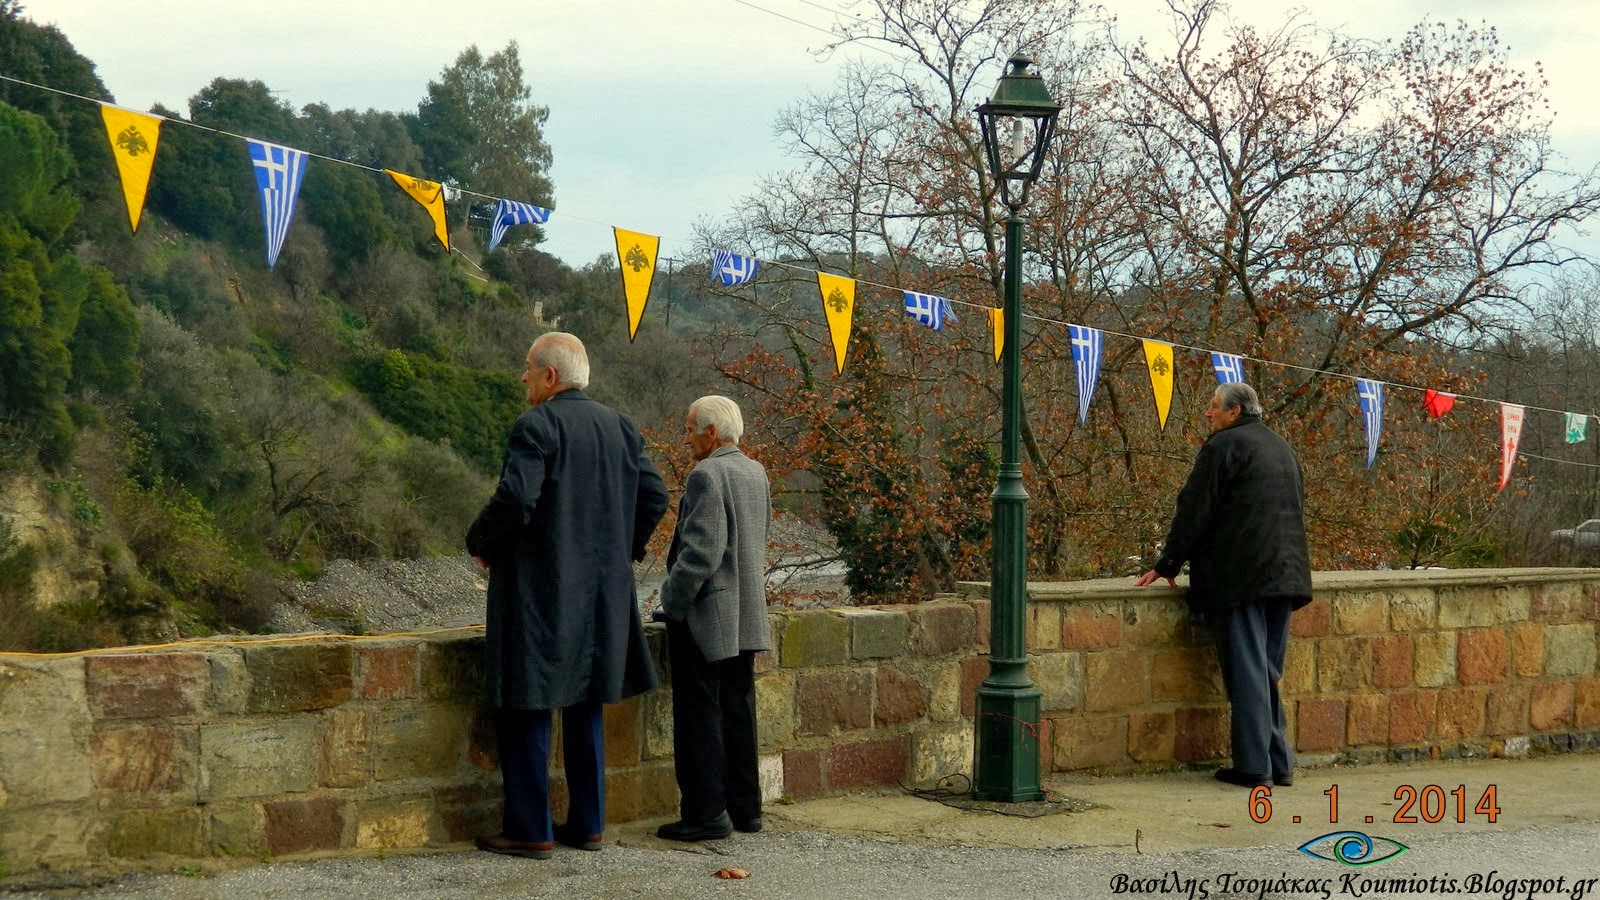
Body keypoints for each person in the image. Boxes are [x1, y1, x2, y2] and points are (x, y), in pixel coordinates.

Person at [466, 332, 669, 858]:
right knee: (585, 704)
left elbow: (515, 497)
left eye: (528, 369)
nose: (523, 378)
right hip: (602, 595)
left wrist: (482, 543)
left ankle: (530, 830)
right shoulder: (620, 426)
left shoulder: (538, 424)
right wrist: (620, 550)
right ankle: (588, 824)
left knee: (528, 703)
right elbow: (655, 495)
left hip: (540, 592)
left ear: (550, 376)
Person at [1134, 382, 1311, 790]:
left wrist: (1167, 563)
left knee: (1247, 671)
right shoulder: (1281, 447)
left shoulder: (1224, 446)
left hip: (1242, 574)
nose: (1207, 413)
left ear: (1235, 412)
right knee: (1266, 670)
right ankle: (1278, 763)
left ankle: (1253, 767)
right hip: (1286, 575)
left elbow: (1195, 508)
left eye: (1213, 406)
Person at [655, 395, 773, 842]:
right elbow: (756, 539)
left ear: (711, 433)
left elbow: (700, 553)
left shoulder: (706, 474)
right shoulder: (755, 471)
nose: (685, 438)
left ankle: (705, 815)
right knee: (739, 711)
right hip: (746, 611)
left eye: (689, 429)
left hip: (707, 616)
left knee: (699, 717)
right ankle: (747, 810)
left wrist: (671, 601)